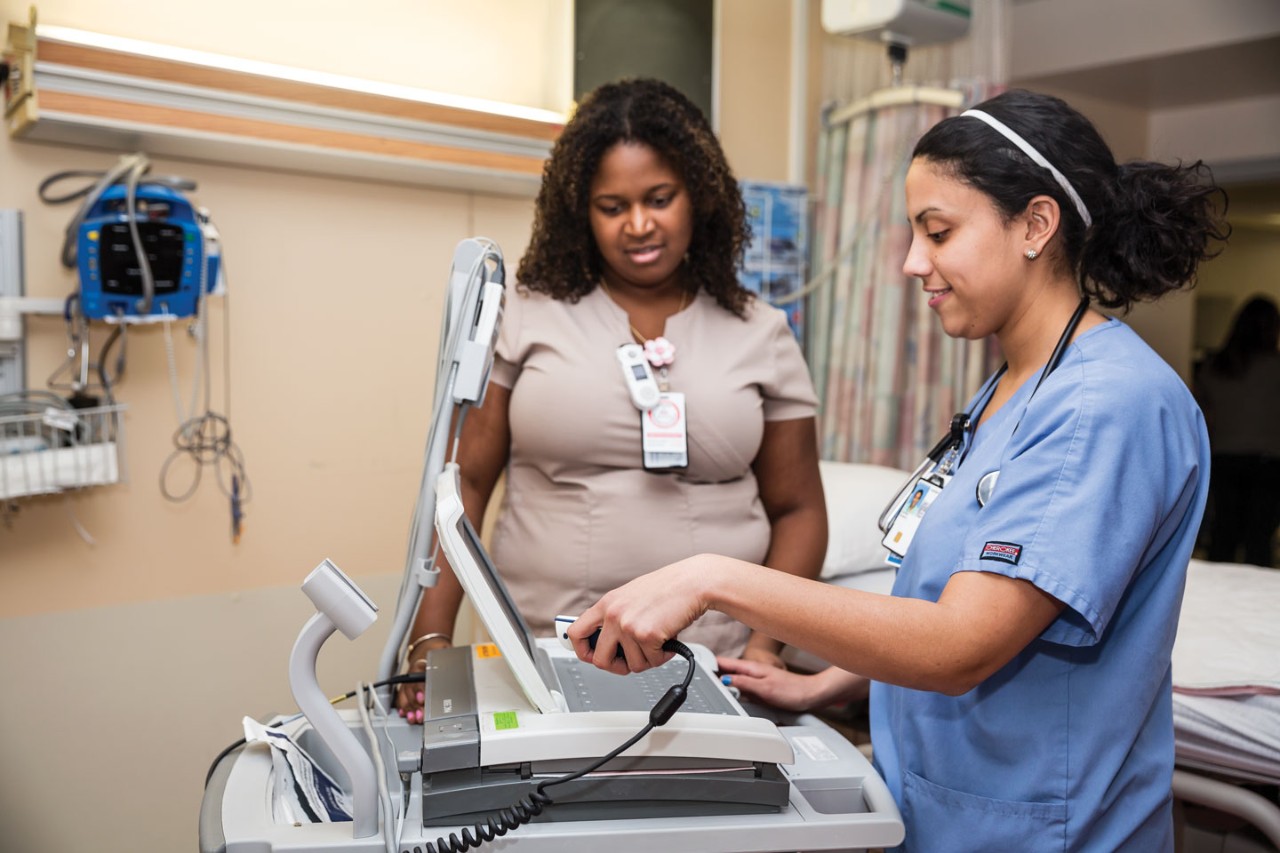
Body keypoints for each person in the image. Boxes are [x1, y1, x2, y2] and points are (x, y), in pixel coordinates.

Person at [569, 89, 1227, 851]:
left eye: (938, 232)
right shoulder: (1013, 385)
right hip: (949, 813)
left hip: (1043, 832)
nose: (914, 263)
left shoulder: (1105, 404)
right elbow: (980, 601)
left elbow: (961, 643)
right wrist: (831, 682)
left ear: (1036, 225)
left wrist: (712, 577)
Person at [395, 77, 827, 722]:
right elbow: (466, 485)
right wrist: (430, 639)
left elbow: (798, 510)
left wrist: (767, 645)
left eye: (660, 198)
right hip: (536, 650)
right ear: (580, 211)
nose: (640, 225)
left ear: (698, 197)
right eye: (612, 206)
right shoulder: (525, 313)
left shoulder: (760, 331)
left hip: (713, 661)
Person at [1195, 295, 1280, 567]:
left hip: (1225, 458)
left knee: (1223, 537)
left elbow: (1202, 417)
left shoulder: (1215, 367)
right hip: (1268, 461)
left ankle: (1213, 606)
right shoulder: (1275, 368)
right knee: (1259, 543)